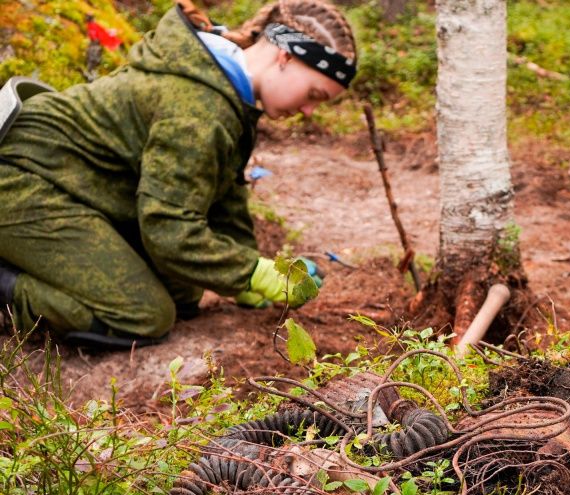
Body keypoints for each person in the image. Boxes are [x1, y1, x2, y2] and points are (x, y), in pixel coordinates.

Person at [0, 0, 357, 348]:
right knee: (141, 315)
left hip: (73, 183)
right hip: (20, 182)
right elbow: (168, 230)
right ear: (285, 57)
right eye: (314, 94)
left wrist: (245, 274)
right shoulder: (201, 106)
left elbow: (223, 196)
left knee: (184, 292)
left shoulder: (225, 88)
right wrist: (252, 272)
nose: (310, 111)